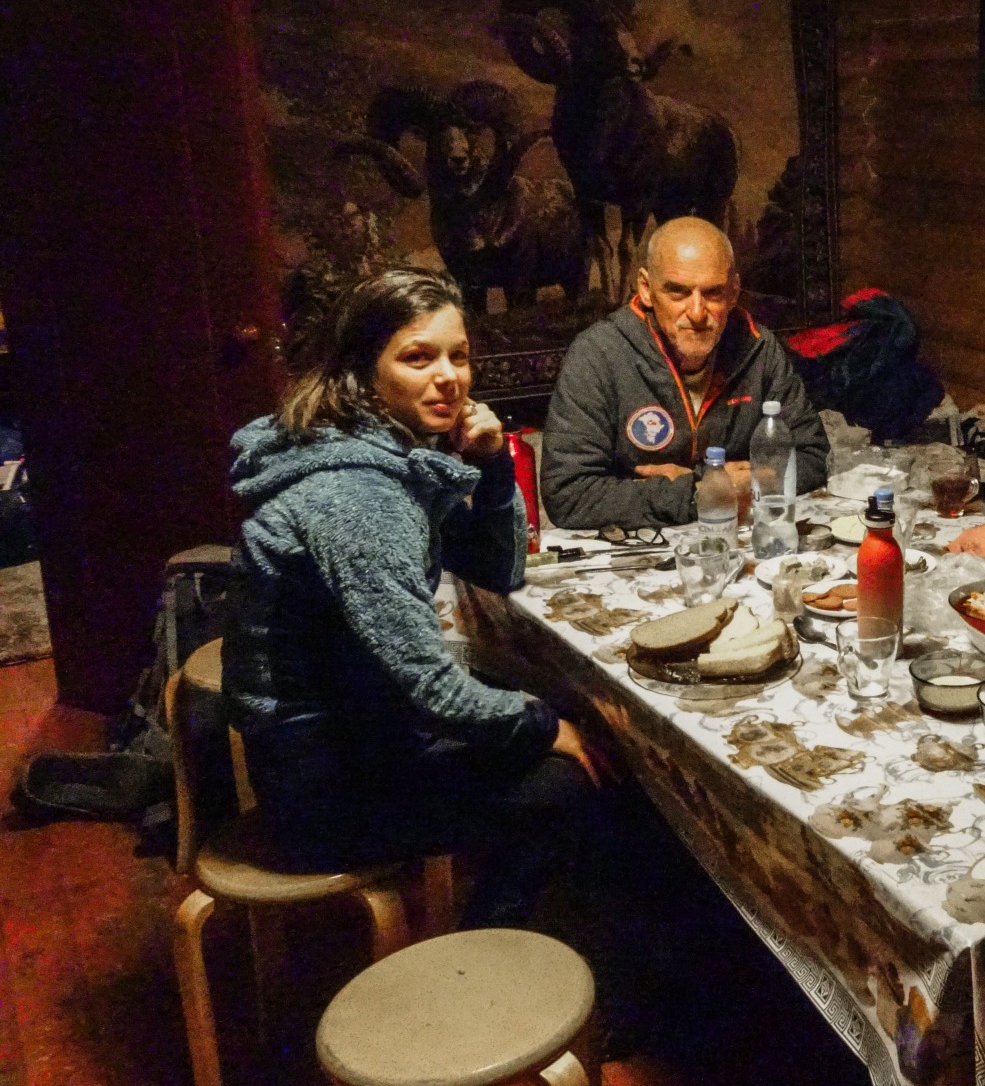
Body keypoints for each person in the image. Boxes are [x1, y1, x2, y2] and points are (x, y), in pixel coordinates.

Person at [225, 268, 599, 928]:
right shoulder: (358, 496)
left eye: (459, 356)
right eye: (417, 358)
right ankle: (484, 956)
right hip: (323, 789)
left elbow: (496, 568)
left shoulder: (374, 450)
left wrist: (491, 467)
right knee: (562, 780)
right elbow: (433, 690)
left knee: (558, 705)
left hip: (354, 737)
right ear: (363, 372)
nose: (449, 377)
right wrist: (546, 727)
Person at [542, 215, 828, 529]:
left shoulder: (759, 348)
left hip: (740, 535)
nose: (696, 313)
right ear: (647, 289)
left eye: (713, 293)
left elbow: (814, 457)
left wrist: (712, 483)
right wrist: (700, 489)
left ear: (733, 292)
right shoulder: (597, 355)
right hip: (640, 547)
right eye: (677, 292)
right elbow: (568, 495)